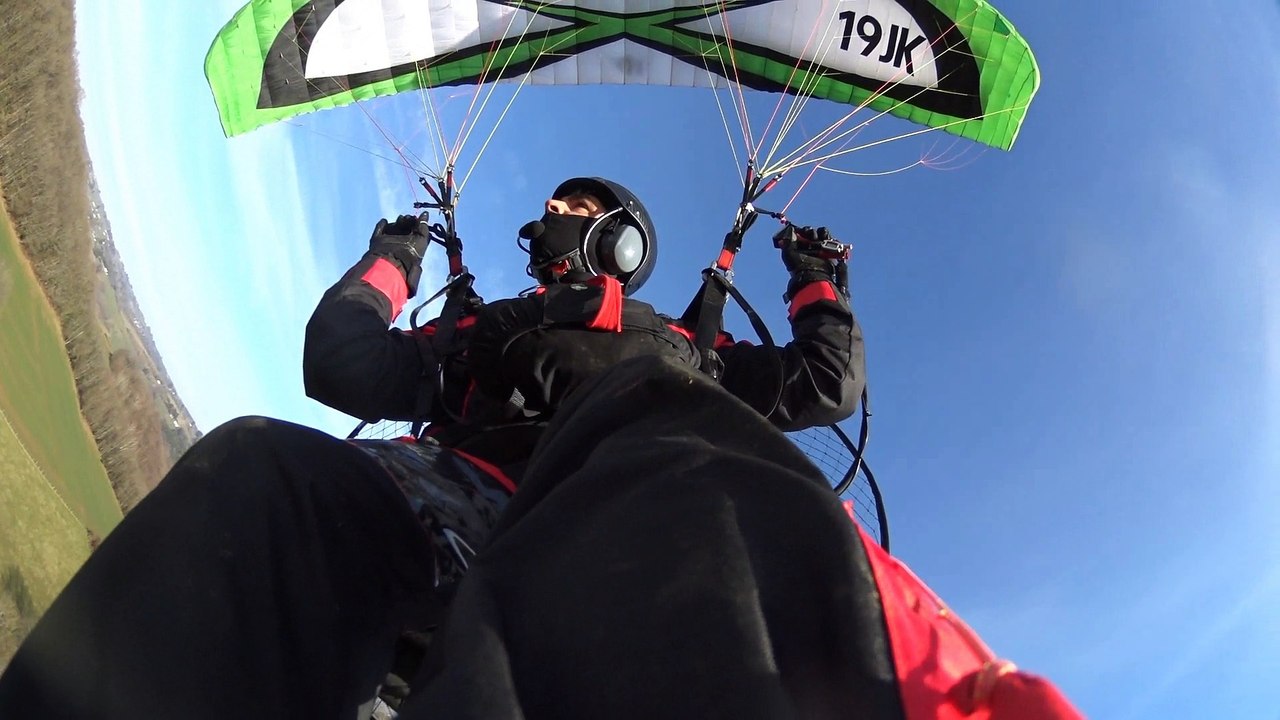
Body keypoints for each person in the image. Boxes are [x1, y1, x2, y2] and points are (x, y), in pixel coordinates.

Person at [0, 180, 1082, 719]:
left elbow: (824, 387)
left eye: (573, 212)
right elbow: (339, 369)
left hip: (635, 534)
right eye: (549, 211)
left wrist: (815, 280)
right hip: (439, 512)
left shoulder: (682, 351)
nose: (546, 223)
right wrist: (393, 261)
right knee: (263, 478)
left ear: (617, 238)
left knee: (665, 427)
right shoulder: (485, 329)